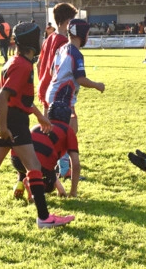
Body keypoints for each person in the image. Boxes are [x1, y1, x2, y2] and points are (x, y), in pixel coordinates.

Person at [0, 22, 75, 230]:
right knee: (34, 167)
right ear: (31, 43)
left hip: (9, 119)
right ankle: (44, 218)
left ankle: (43, 218)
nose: (41, 41)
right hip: (12, 122)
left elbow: (21, 99)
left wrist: (39, 116)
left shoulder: (15, 61)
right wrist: (3, 127)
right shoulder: (23, 66)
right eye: (39, 39)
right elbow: (2, 97)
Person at [46, 19, 105, 179]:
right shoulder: (76, 53)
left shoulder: (62, 48)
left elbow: (52, 70)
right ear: (82, 34)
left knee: (71, 129)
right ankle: (63, 168)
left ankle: (60, 165)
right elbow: (80, 79)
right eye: (87, 33)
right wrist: (97, 85)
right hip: (62, 96)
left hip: (56, 92)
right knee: (67, 132)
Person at [11, 101, 81, 201]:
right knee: (50, 185)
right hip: (40, 162)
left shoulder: (37, 126)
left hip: (16, 159)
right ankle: (31, 186)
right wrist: (73, 192)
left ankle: (20, 181)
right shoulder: (67, 130)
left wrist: (61, 191)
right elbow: (75, 163)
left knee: (29, 161)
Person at [37, 2, 78, 116]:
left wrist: (42, 81)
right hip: (58, 90)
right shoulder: (64, 42)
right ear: (68, 21)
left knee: (47, 127)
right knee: (68, 127)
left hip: (45, 86)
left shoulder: (49, 38)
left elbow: (38, 64)